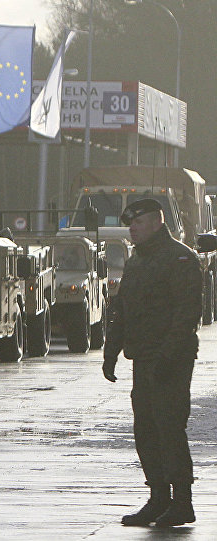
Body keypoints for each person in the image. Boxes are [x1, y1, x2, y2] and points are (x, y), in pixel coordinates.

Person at [102, 197, 202, 527]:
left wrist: (167, 357)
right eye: (130, 224)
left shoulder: (179, 258)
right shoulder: (137, 261)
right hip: (143, 359)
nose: (132, 229)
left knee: (169, 428)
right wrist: (110, 352)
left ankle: (182, 502)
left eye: (139, 223)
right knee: (145, 430)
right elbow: (122, 310)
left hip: (170, 360)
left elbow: (187, 315)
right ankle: (159, 498)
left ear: (157, 223)